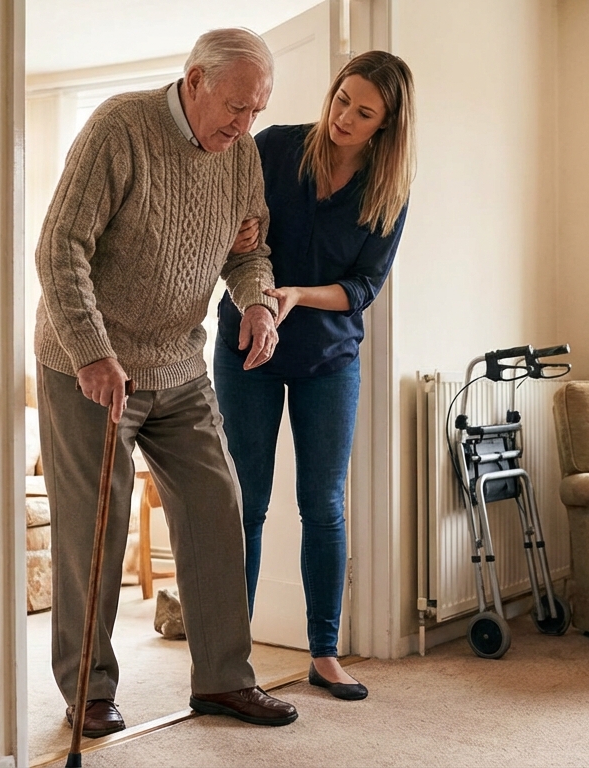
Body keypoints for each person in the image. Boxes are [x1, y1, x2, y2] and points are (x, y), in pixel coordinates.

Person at [34, 27, 298, 737]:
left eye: (258, 112)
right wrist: (91, 351)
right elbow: (59, 248)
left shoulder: (239, 155)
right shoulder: (120, 129)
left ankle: (223, 680)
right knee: (96, 525)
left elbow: (251, 250)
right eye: (236, 108)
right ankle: (87, 690)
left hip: (178, 363)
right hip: (89, 365)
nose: (245, 127)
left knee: (217, 506)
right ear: (194, 81)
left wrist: (256, 302)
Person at [213, 50, 416, 701]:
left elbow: (364, 286)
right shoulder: (272, 147)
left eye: (363, 112)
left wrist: (299, 295)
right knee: (244, 503)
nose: (344, 118)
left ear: (386, 124)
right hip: (249, 345)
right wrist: (237, 236)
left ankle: (324, 654)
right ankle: (230, 662)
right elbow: (223, 225)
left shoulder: (388, 190)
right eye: (341, 100)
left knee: (322, 506)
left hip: (329, 360)